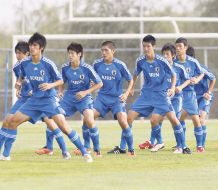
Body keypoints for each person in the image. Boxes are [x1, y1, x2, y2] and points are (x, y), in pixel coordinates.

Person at [0, 33, 92, 162]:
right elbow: (22, 75)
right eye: (31, 45)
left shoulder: (48, 64)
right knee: (12, 121)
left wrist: (50, 85)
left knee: (64, 127)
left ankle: (84, 153)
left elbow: (60, 80)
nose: (32, 48)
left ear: (41, 48)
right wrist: (19, 83)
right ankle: (5, 155)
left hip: (49, 100)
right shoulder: (25, 63)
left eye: (35, 45)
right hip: (33, 101)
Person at [108, 35, 191, 154]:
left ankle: (183, 147)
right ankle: (122, 147)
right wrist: (130, 89)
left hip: (161, 95)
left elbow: (173, 75)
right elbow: (135, 75)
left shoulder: (162, 61)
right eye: (144, 46)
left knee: (173, 119)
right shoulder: (140, 61)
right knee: (129, 117)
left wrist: (172, 88)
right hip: (146, 95)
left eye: (148, 46)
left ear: (153, 46)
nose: (146, 48)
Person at [138, 43, 190, 152]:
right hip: (162, 99)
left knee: (174, 120)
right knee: (154, 120)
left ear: (173, 56)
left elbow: (188, 80)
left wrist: (179, 87)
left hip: (175, 99)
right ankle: (158, 142)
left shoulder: (179, 68)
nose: (165, 56)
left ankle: (182, 146)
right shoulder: (159, 66)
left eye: (167, 54)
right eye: (163, 54)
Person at [174, 37, 205, 153]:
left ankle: (200, 146)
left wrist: (197, 80)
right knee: (177, 120)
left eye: (180, 47)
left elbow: (202, 73)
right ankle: (181, 145)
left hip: (190, 94)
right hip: (177, 95)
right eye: (176, 46)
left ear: (185, 48)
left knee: (196, 120)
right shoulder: (173, 61)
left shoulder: (193, 61)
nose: (177, 49)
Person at [187, 46, 216, 148]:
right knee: (190, 120)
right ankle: (181, 144)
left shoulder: (200, 67)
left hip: (204, 97)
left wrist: (208, 92)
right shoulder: (183, 68)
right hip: (192, 98)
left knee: (201, 120)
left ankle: (201, 146)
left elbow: (213, 79)